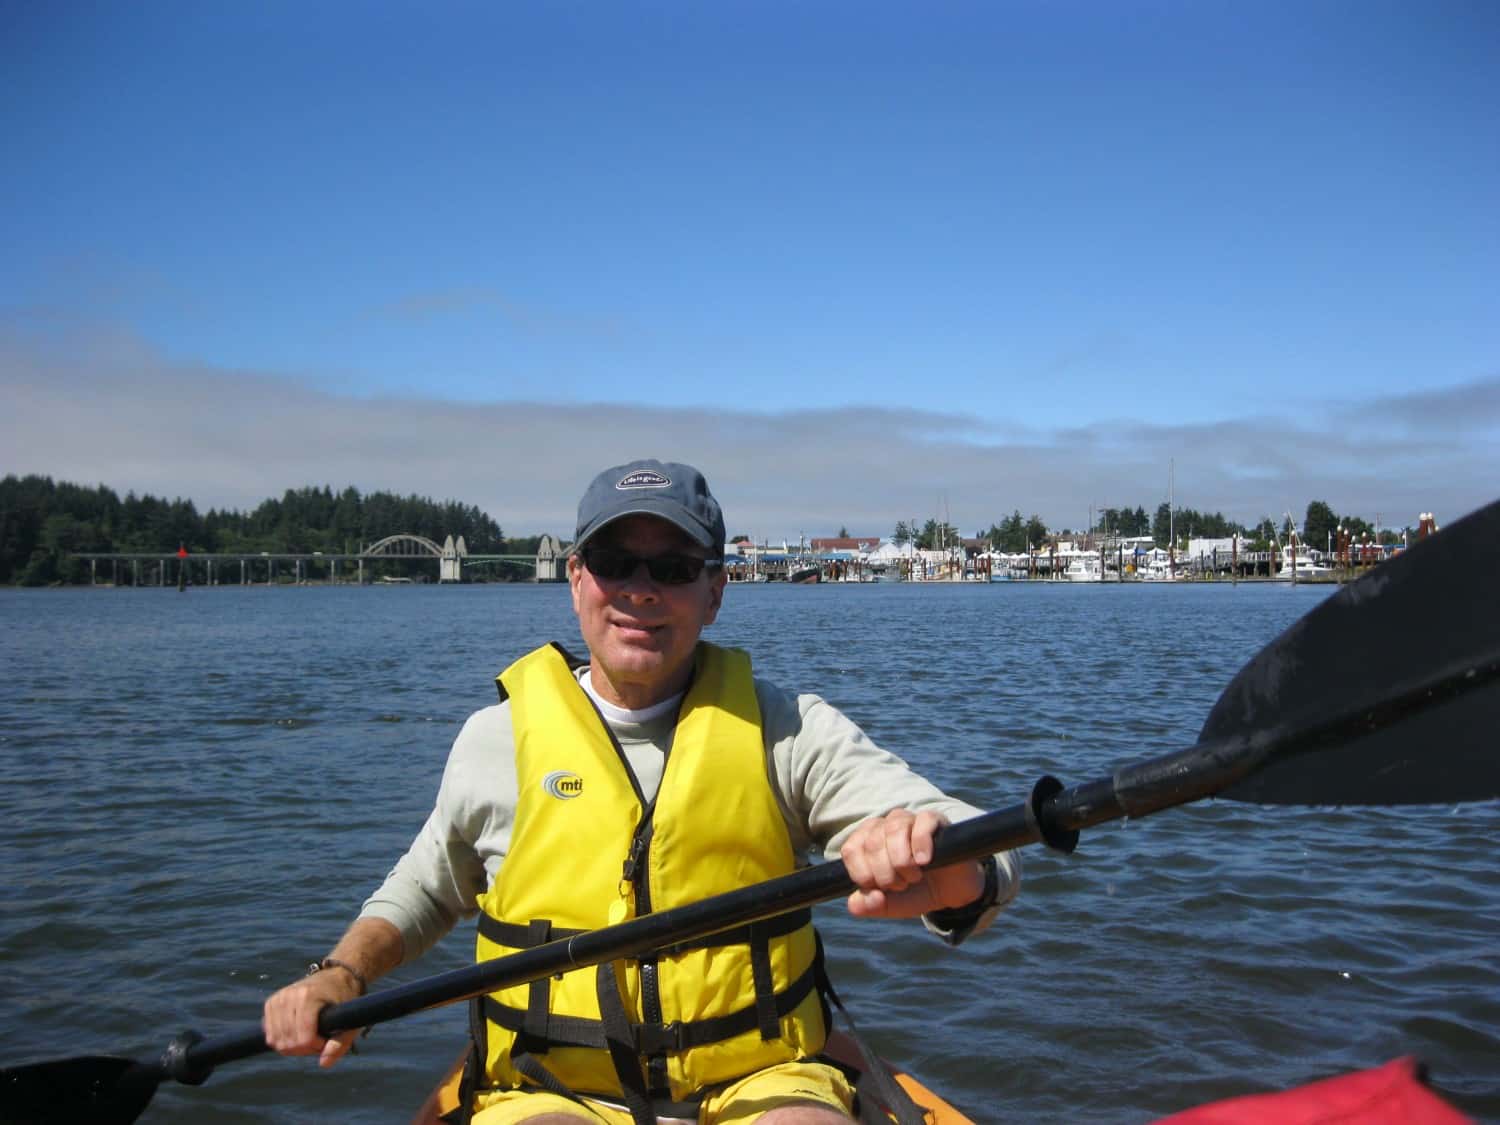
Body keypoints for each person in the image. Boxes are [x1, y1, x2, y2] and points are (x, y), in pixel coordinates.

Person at [264, 459, 1020, 1125]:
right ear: (575, 579)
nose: (640, 590)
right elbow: (426, 888)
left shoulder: (785, 729)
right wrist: (342, 971)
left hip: (764, 1077)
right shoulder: (495, 739)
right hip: (547, 1086)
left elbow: (973, 840)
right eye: (614, 561)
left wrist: (951, 870)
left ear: (715, 591)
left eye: (674, 567)